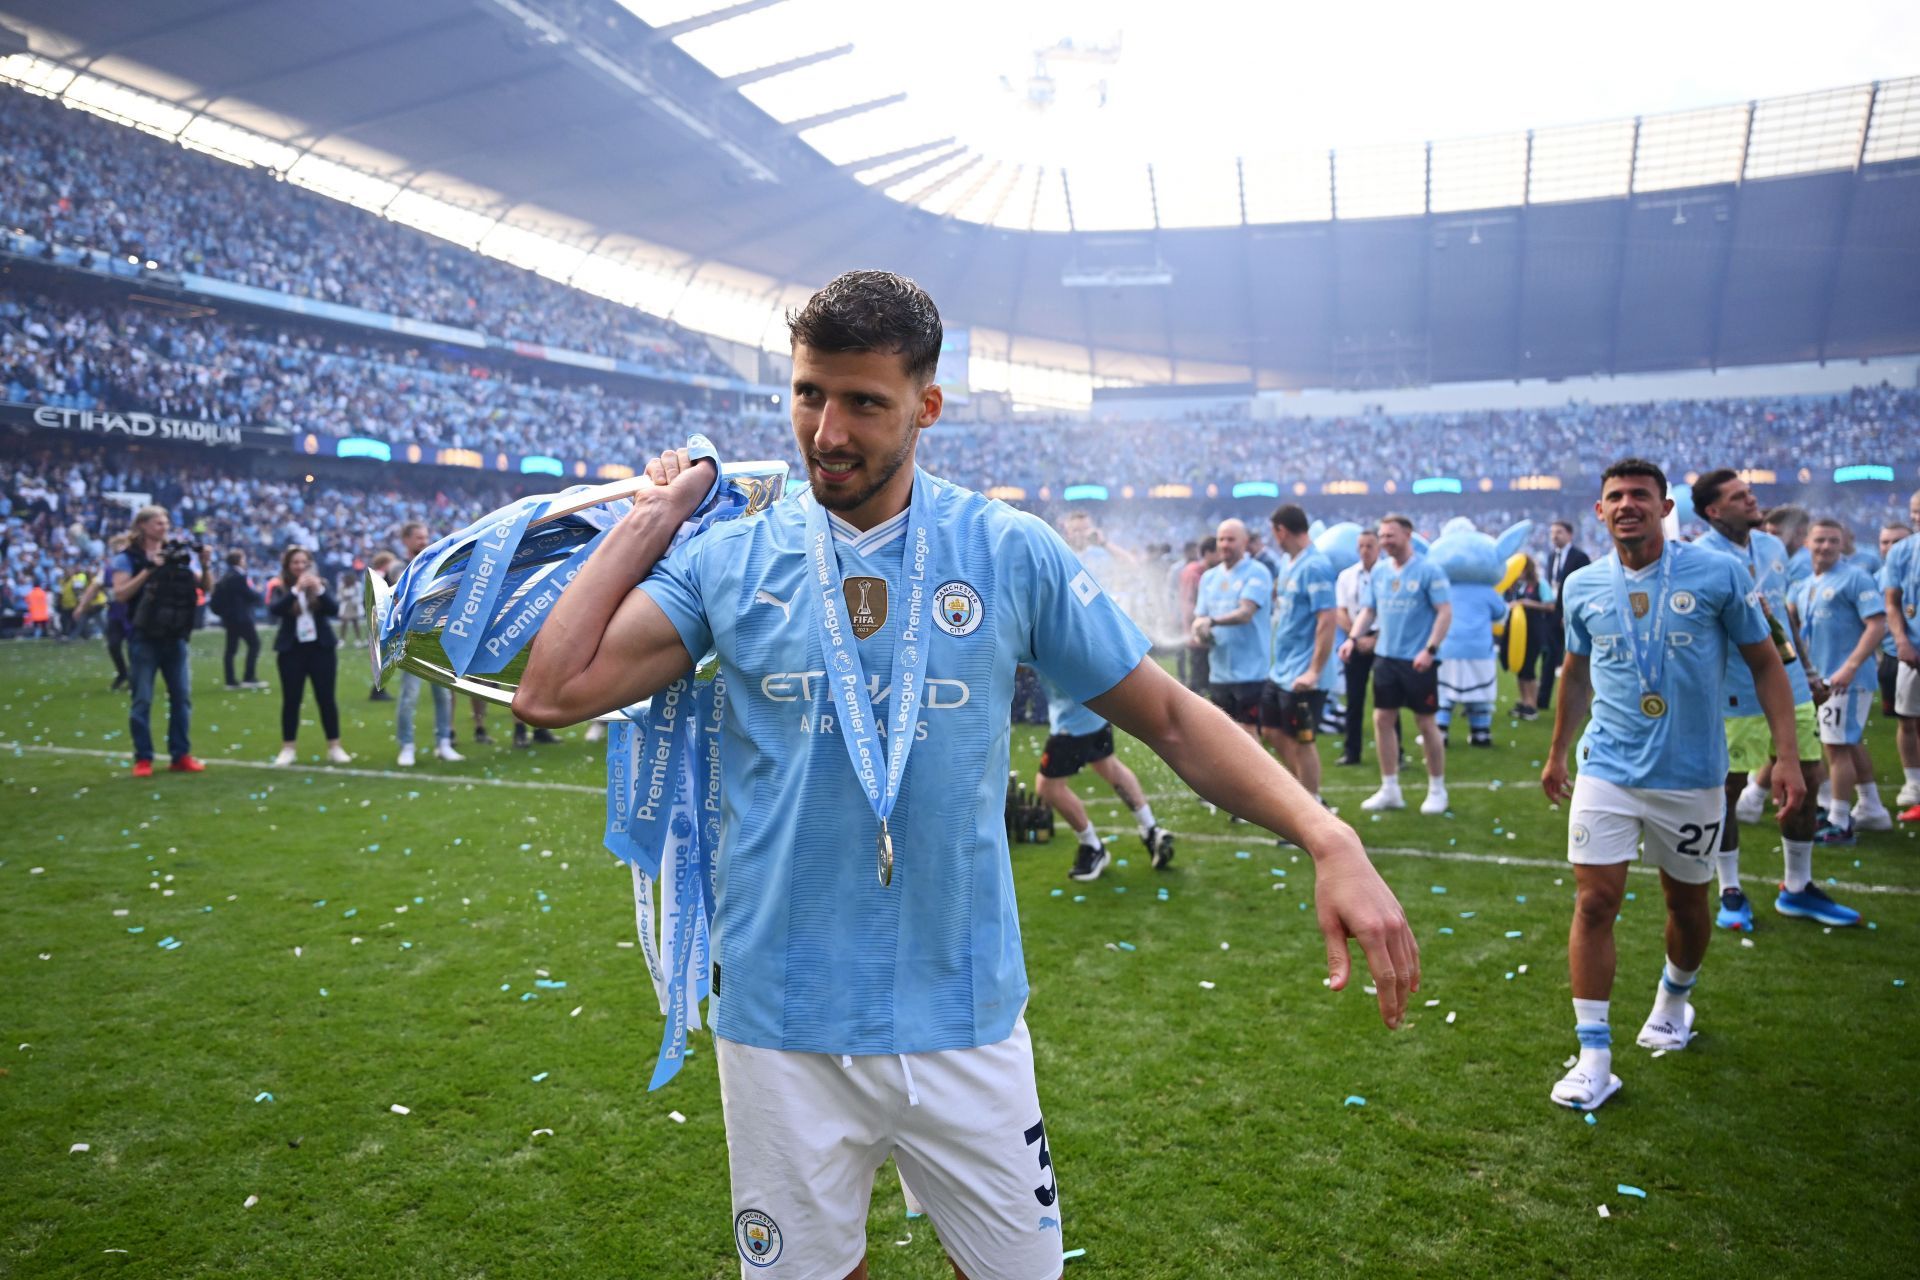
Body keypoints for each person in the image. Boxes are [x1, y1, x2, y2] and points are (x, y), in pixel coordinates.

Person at [513, 270, 1417, 1280]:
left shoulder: (1004, 549)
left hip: (962, 1013)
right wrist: (658, 513)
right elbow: (552, 689)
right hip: (780, 1016)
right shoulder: (731, 554)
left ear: (926, 406)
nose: (828, 431)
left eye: (865, 401)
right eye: (810, 393)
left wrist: (1328, 834)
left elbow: (1167, 712)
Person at [1541, 459, 1801, 1112]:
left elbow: (1766, 664)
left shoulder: (1718, 573)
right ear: (1599, 513)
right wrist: (1557, 754)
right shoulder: (1582, 585)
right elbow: (1574, 674)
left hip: (1690, 775)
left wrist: (1788, 755)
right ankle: (1594, 1055)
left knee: (1685, 905)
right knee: (1595, 902)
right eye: (1615, 497)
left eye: (1640, 495)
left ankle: (1673, 1000)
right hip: (1608, 769)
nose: (1627, 504)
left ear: (1663, 508)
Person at [1692, 469, 1855, 929]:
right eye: (1739, 496)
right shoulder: (1700, 558)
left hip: (1790, 688)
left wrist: (1806, 669)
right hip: (1733, 695)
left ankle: (1797, 888)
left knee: (1807, 778)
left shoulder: (1770, 548)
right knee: (1726, 790)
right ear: (1713, 511)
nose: (1751, 499)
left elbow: (1783, 614)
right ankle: (1729, 889)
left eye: (1749, 492)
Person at [1340, 514, 1453, 816]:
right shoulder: (1379, 573)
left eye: (1390, 535)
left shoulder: (1429, 570)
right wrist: (1353, 637)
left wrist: (1430, 649)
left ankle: (1437, 788)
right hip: (1386, 657)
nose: (1385, 541)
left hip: (1418, 660)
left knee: (1426, 723)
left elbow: (1444, 612)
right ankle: (1390, 788)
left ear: (1408, 534)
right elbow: (1368, 610)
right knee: (1382, 720)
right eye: (1382, 536)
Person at [1789, 518, 1890, 843]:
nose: (1826, 546)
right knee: (1847, 741)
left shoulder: (1856, 578)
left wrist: (1850, 666)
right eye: (1820, 540)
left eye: (1833, 541)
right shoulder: (1805, 583)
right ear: (1808, 542)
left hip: (1846, 679)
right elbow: (1791, 621)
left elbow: (1876, 625)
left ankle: (1840, 819)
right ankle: (1872, 808)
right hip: (1819, 679)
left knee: (1836, 747)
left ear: (1843, 543)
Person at [1038, 674, 1176, 881]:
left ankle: (1092, 846)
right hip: (1096, 713)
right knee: (1108, 766)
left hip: (1072, 723)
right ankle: (1150, 830)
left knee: (1048, 788)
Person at [110, 505, 214, 777]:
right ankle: (143, 757)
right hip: (144, 636)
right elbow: (120, 594)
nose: (164, 527)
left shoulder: (176, 555)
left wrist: (204, 563)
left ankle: (180, 754)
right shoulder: (127, 558)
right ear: (142, 526)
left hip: (175, 635)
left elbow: (205, 587)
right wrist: (148, 569)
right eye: (158, 522)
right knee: (142, 698)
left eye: (166, 521)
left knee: (182, 698)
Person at [1262, 503, 1336, 803]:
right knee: (1270, 730)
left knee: (1302, 740)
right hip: (1282, 669)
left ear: (1282, 530)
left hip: (1304, 672)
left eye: (1274, 533)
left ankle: (1312, 806)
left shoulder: (1315, 566)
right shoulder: (1288, 562)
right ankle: (1305, 797)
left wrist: (1314, 671)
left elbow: (1327, 619)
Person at [1191, 517, 1274, 742]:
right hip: (1219, 671)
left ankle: (1254, 778)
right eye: (1221, 539)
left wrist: (1212, 622)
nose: (1225, 544)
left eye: (1231, 539)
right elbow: (1200, 617)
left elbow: (1245, 612)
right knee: (1223, 735)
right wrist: (1200, 630)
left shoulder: (1257, 572)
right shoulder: (1209, 578)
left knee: (1248, 734)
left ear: (1244, 542)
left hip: (1251, 672)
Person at [268, 546, 350, 767]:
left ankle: (334, 746)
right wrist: (294, 591)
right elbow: (274, 610)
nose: (300, 566)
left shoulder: (321, 584)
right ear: (288, 566)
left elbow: (335, 610)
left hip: (321, 649)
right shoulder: (280, 586)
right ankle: (288, 748)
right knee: (291, 700)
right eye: (295, 562)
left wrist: (320, 591)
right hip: (291, 650)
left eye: (304, 562)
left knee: (326, 699)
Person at [391, 522, 461, 766]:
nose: (424, 541)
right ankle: (406, 745)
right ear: (406, 540)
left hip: (435, 636)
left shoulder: (438, 563)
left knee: (443, 694)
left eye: (425, 536)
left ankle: (443, 742)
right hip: (411, 639)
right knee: (409, 695)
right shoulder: (400, 567)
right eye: (419, 537)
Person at [1436, 543, 1510, 749]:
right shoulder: (1487, 591)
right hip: (1479, 649)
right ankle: (1480, 734)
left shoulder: (1445, 588)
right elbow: (1501, 614)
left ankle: (1440, 732)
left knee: (1445, 693)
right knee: (1480, 693)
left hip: (1448, 647)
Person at [1882, 489, 1920, 821]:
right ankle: (1914, 784)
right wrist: (1902, 642)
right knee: (1908, 718)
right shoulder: (1902, 552)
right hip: (1914, 651)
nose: (1917, 516)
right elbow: (1892, 602)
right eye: (1915, 511)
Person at [1334, 528, 1386, 765]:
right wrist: (1356, 637)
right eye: (1361, 546)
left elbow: (1392, 613)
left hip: (1383, 639)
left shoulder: (1388, 574)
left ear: (1378, 548)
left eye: (1369, 546)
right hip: (1355, 637)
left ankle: (1395, 753)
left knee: (1386, 701)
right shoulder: (1346, 576)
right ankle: (1351, 751)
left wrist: (1374, 640)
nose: (1365, 551)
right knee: (1354, 700)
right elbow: (1340, 611)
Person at [1539, 520, 1589, 712]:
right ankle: (1542, 700)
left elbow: (1584, 588)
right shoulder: (1552, 556)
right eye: (1552, 532)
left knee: (1577, 658)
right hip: (1553, 613)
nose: (1554, 536)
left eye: (1558, 532)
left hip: (1571, 613)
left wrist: (1572, 613)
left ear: (1569, 534)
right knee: (1549, 656)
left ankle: (1580, 702)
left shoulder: (1580, 557)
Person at [75, 533, 133, 690]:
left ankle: (135, 677)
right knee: (113, 644)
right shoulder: (109, 569)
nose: (118, 549)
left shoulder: (134, 564)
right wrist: (81, 606)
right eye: (115, 546)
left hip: (132, 610)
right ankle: (123, 673)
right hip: (115, 611)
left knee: (135, 645)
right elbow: (94, 587)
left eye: (121, 544)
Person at [210, 550, 267, 690]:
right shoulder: (238, 576)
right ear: (239, 560)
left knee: (231, 649)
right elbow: (248, 595)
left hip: (229, 618)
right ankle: (249, 677)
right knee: (254, 644)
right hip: (241, 617)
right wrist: (259, 593)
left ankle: (230, 680)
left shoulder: (225, 577)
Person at [1505, 555, 1553, 718]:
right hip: (1520, 633)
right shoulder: (1519, 586)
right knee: (1521, 668)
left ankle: (1532, 704)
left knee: (1529, 668)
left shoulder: (1541, 584)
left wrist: (1526, 603)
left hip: (1535, 632)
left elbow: (1550, 606)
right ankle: (1524, 701)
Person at [1178, 535, 1219, 694]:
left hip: (1203, 632)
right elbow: (1189, 603)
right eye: (1218, 552)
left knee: (1205, 678)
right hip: (1198, 636)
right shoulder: (1194, 572)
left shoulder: (1207, 572)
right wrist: (1198, 626)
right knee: (1198, 681)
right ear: (1208, 553)